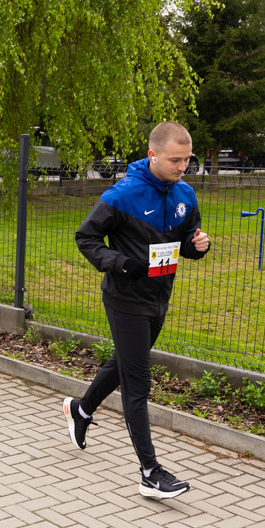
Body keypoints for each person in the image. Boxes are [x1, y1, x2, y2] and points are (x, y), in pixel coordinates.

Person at [63, 121, 211, 499]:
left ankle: (81, 410)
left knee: (125, 363)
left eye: (187, 160)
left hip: (159, 295)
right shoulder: (123, 193)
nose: (182, 167)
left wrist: (199, 246)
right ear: (153, 155)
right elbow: (86, 237)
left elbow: (186, 242)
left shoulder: (185, 194)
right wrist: (118, 262)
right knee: (138, 382)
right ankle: (150, 472)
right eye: (175, 160)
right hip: (125, 297)